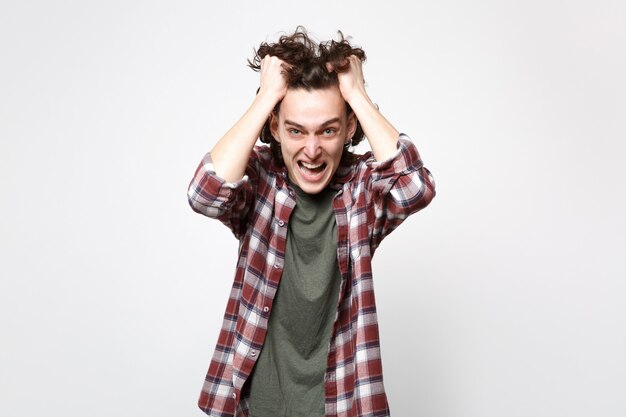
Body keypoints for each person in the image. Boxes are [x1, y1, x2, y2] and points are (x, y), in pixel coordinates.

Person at [187, 27, 436, 417]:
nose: (312, 149)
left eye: (329, 130)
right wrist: (268, 96)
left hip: (340, 404)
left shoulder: (362, 190)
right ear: (275, 128)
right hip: (258, 407)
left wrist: (357, 95)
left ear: (349, 128)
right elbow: (205, 192)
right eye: (296, 131)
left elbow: (414, 188)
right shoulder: (260, 182)